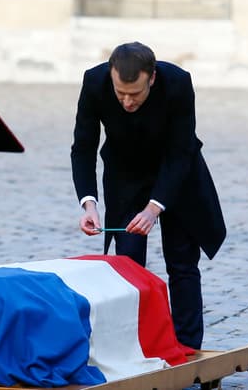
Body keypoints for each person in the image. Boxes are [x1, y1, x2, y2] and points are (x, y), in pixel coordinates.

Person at [70, 42, 226, 350]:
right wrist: (89, 203)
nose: (127, 101)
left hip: (179, 176)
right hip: (126, 176)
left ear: (151, 78)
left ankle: (186, 348)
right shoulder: (94, 82)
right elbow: (83, 147)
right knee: (127, 264)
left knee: (182, 264)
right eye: (120, 94)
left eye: (135, 94)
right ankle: (130, 347)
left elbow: (181, 152)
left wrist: (154, 208)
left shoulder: (178, 83)